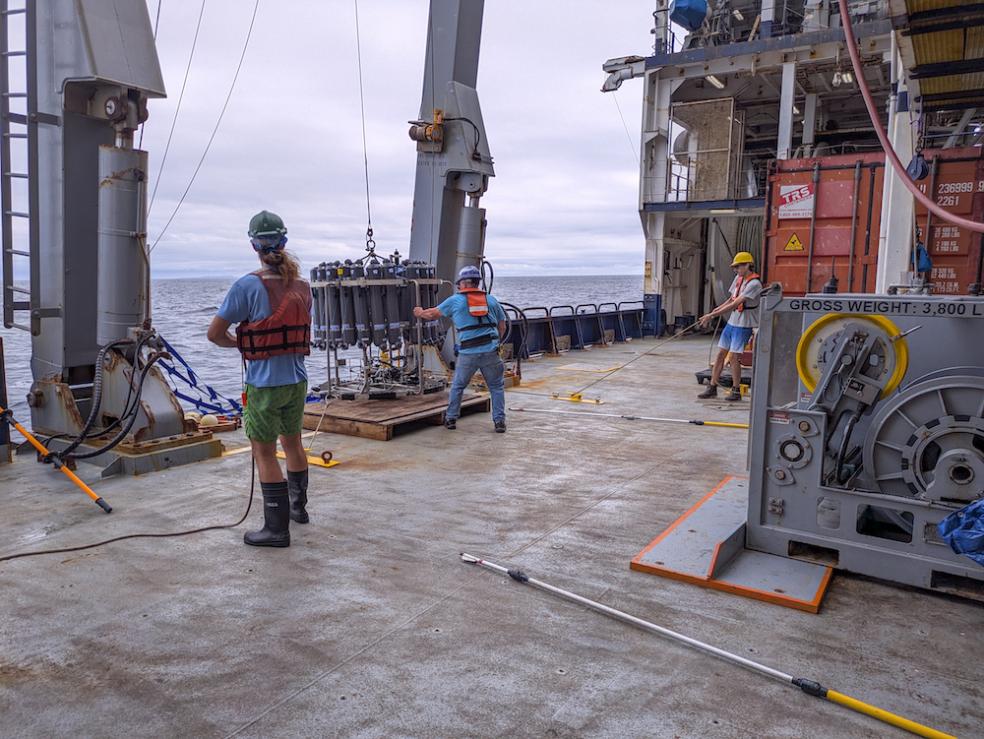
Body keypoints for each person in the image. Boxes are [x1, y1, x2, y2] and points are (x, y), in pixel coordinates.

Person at [207, 210, 312, 548]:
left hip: (264, 385)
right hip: (297, 381)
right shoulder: (303, 286)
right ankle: (298, 510)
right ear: (284, 241)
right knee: (293, 443)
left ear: (254, 244)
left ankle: (276, 530)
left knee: (264, 453)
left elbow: (214, 334)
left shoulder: (247, 285)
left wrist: (245, 343)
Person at [413, 265, 508, 433]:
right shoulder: (492, 300)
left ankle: (451, 419)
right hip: (491, 352)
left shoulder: (455, 301)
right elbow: (502, 326)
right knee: (496, 387)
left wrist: (419, 312)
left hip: (468, 353)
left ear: (463, 284)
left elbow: (431, 315)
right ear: (478, 283)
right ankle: (499, 422)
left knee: (458, 386)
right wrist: (495, 343)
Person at [697, 251, 763, 402]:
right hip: (733, 322)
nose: (736, 269)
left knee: (733, 357)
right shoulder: (738, 279)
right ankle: (712, 387)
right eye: (735, 267)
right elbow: (730, 299)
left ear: (748, 265)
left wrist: (712, 316)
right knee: (721, 354)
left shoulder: (754, 284)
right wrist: (715, 310)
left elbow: (736, 303)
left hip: (743, 325)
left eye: (738, 266)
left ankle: (736, 389)